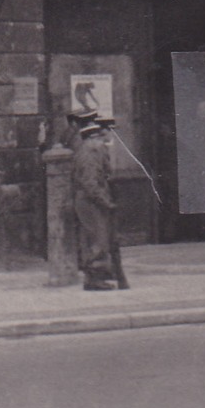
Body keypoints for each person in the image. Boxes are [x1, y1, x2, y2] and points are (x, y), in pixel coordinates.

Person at [70, 111, 125, 291]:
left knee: (101, 238)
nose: (112, 136)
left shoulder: (92, 148)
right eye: (110, 131)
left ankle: (100, 276)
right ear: (101, 132)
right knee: (98, 239)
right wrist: (106, 202)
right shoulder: (94, 149)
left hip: (92, 199)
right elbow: (90, 183)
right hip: (91, 200)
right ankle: (94, 279)